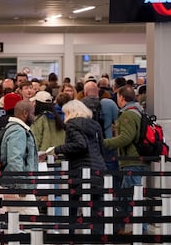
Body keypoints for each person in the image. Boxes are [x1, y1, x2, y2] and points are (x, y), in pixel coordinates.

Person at [50, 100, 107, 234]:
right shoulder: (95, 124)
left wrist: (58, 149)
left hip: (80, 169)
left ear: (70, 112)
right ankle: (98, 236)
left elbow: (80, 144)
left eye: (65, 113)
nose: (64, 117)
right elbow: (101, 147)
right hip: (98, 167)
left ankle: (70, 235)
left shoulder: (71, 125)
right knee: (96, 205)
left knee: (73, 203)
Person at [102, 85, 147, 233]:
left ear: (121, 98)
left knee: (132, 196)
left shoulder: (128, 114)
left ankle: (141, 229)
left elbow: (126, 138)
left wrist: (105, 143)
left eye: (117, 97)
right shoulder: (138, 111)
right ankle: (125, 227)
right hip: (135, 160)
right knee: (128, 196)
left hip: (131, 161)